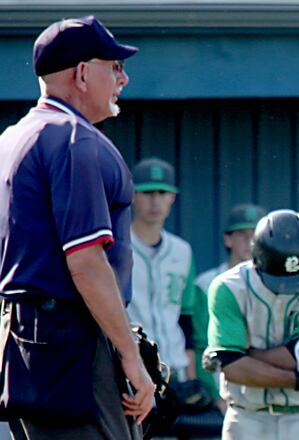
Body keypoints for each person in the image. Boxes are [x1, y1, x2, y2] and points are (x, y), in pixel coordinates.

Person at [0, 16, 154, 439]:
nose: (123, 77)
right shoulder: (73, 139)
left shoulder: (12, 138)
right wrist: (129, 355)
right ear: (83, 73)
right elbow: (85, 261)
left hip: (21, 340)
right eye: (115, 66)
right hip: (74, 343)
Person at [203, 210, 299, 440]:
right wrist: (297, 379)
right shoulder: (227, 287)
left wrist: (241, 356)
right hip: (247, 418)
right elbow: (233, 369)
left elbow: (298, 355)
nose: (288, 287)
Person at [127, 158, 199, 390]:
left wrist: (191, 376)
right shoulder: (116, 248)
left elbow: (185, 318)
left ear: (172, 198)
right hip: (130, 371)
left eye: (162, 192)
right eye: (147, 192)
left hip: (175, 370)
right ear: (132, 195)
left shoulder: (182, 250)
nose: (155, 200)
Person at [194, 203, 266, 411]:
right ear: (228, 239)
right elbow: (201, 347)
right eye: (243, 235)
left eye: (256, 235)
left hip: (262, 388)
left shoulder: (275, 286)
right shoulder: (206, 284)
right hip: (223, 390)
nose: (250, 242)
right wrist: (216, 395)